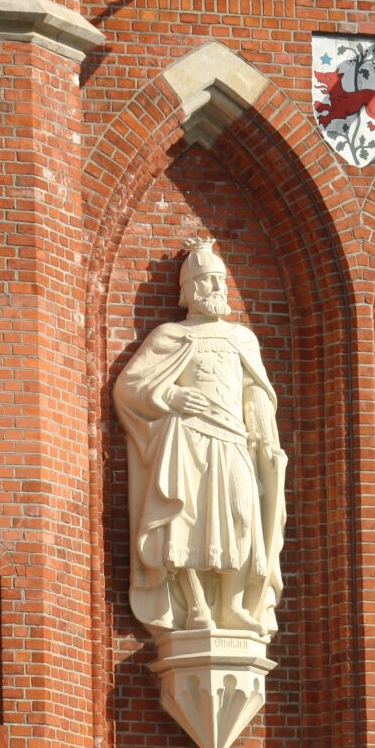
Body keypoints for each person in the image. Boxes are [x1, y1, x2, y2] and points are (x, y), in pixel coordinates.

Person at [115, 238, 287, 637]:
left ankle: (232, 605)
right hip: (189, 439)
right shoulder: (171, 336)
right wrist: (171, 395)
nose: (217, 288)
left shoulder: (241, 338)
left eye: (220, 280)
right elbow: (129, 388)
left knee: (242, 518)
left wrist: (265, 437)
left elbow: (255, 390)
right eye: (208, 280)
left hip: (233, 440)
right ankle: (195, 607)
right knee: (189, 522)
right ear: (189, 288)